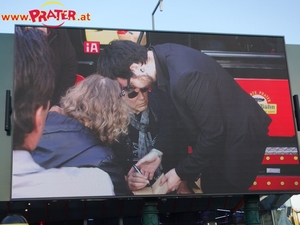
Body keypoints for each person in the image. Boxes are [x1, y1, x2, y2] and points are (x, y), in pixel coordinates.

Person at [97, 40, 272, 194]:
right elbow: (173, 117)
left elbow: (213, 135)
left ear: (134, 68)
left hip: (239, 142)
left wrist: (180, 174)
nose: (132, 90)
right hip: (217, 138)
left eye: (127, 86)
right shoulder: (159, 60)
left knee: (221, 197)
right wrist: (157, 153)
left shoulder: (186, 76)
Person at [12, 26, 114, 199]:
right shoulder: (95, 184)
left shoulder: (61, 37)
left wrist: (53, 102)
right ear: (39, 118)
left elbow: (69, 66)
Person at [32, 74, 131, 196]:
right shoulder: (102, 160)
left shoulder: (37, 128)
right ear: (115, 116)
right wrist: (125, 183)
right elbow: (124, 204)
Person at [112, 84, 188, 193]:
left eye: (144, 90)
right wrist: (125, 180)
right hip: (134, 189)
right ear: (120, 96)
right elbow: (108, 161)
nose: (142, 98)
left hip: (168, 181)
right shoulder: (112, 120)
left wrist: (182, 179)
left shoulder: (161, 105)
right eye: (133, 94)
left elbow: (180, 141)